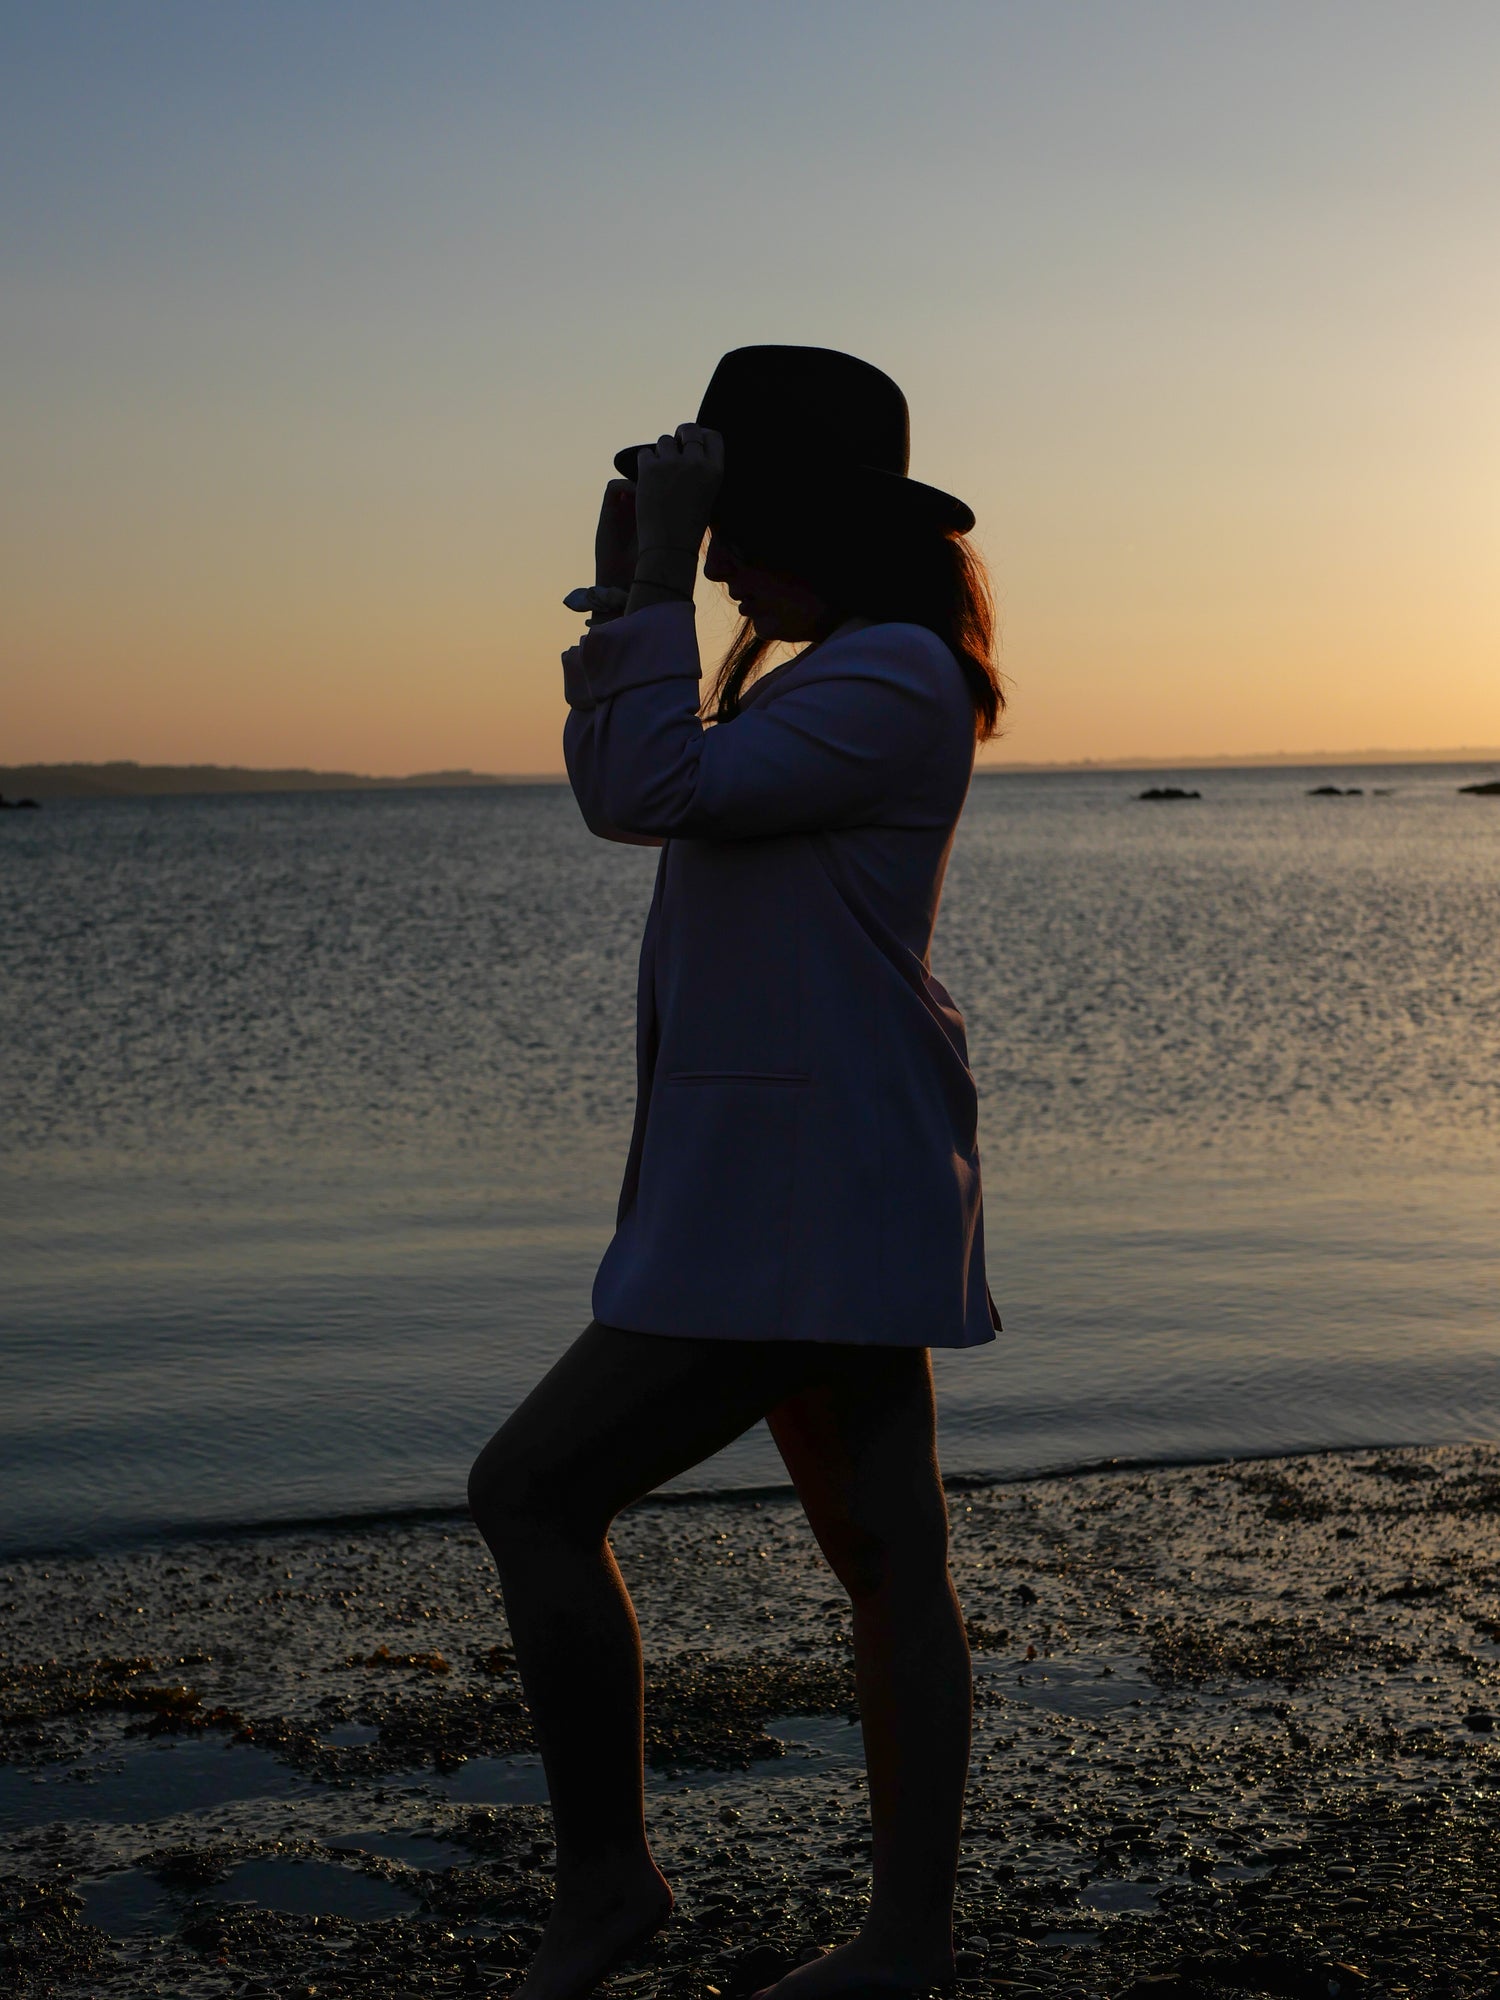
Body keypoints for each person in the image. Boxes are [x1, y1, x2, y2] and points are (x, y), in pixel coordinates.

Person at [469, 346, 1004, 2000]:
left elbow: (639, 791)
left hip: (796, 1202)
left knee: (536, 1492)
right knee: (892, 1570)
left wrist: (640, 581)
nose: (707, 554)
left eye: (728, 521)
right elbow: (637, 780)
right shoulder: (844, 671)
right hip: (815, 1182)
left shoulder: (891, 676)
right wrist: (645, 576)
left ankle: (612, 1887)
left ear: (816, 528)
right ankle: (901, 1948)